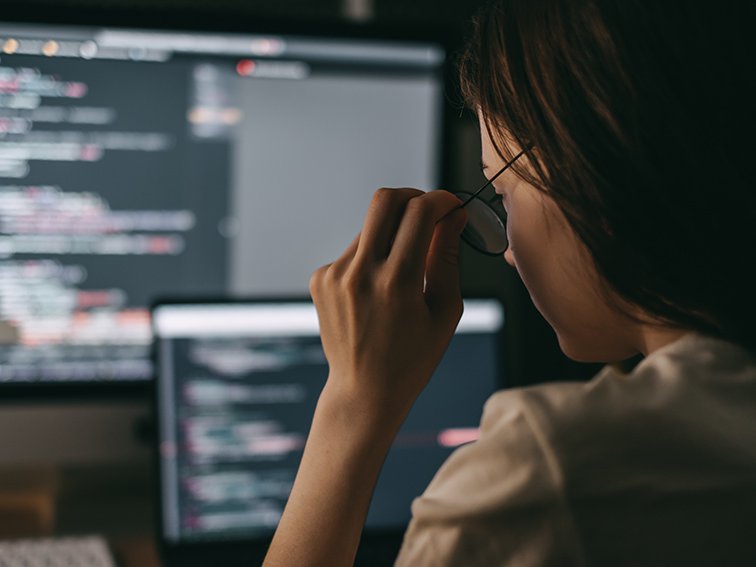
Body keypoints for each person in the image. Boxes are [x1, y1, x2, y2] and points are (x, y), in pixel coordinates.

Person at [262, 0, 756, 565]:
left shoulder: (549, 471)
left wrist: (350, 404)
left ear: (593, 178)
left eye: (502, 194)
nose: (511, 255)